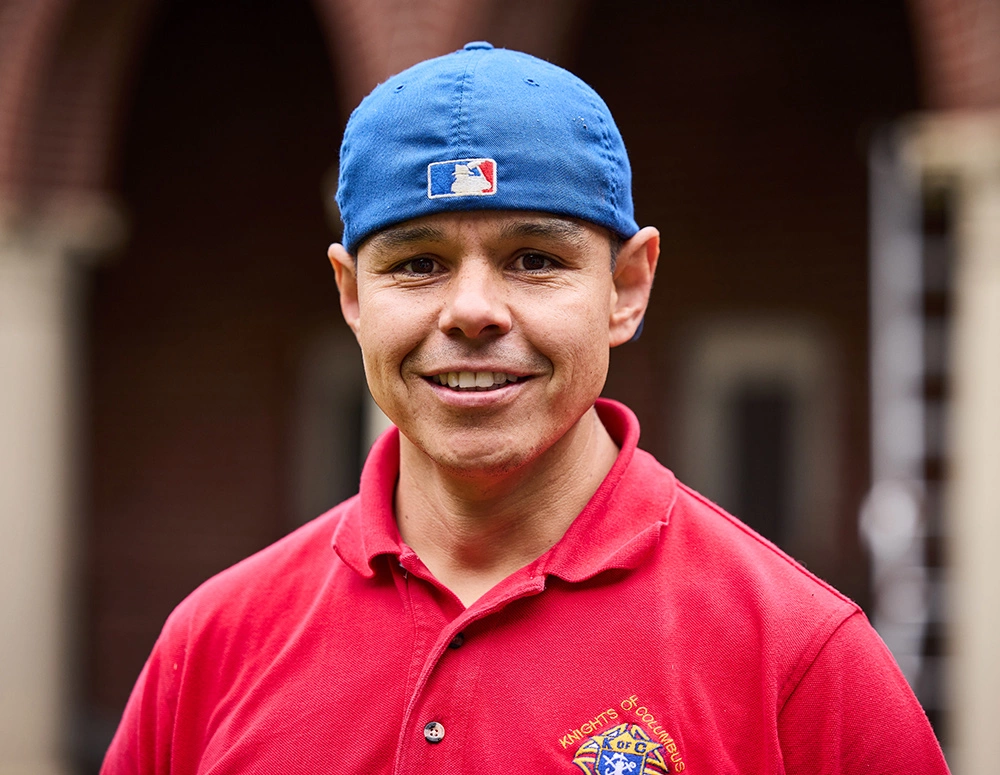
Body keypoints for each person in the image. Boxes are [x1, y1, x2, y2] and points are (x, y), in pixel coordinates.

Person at [102, 42, 949, 774]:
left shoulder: (798, 656)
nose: (473, 311)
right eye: (418, 263)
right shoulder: (211, 647)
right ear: (350, 294)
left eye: (534, 258)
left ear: (627, 287)